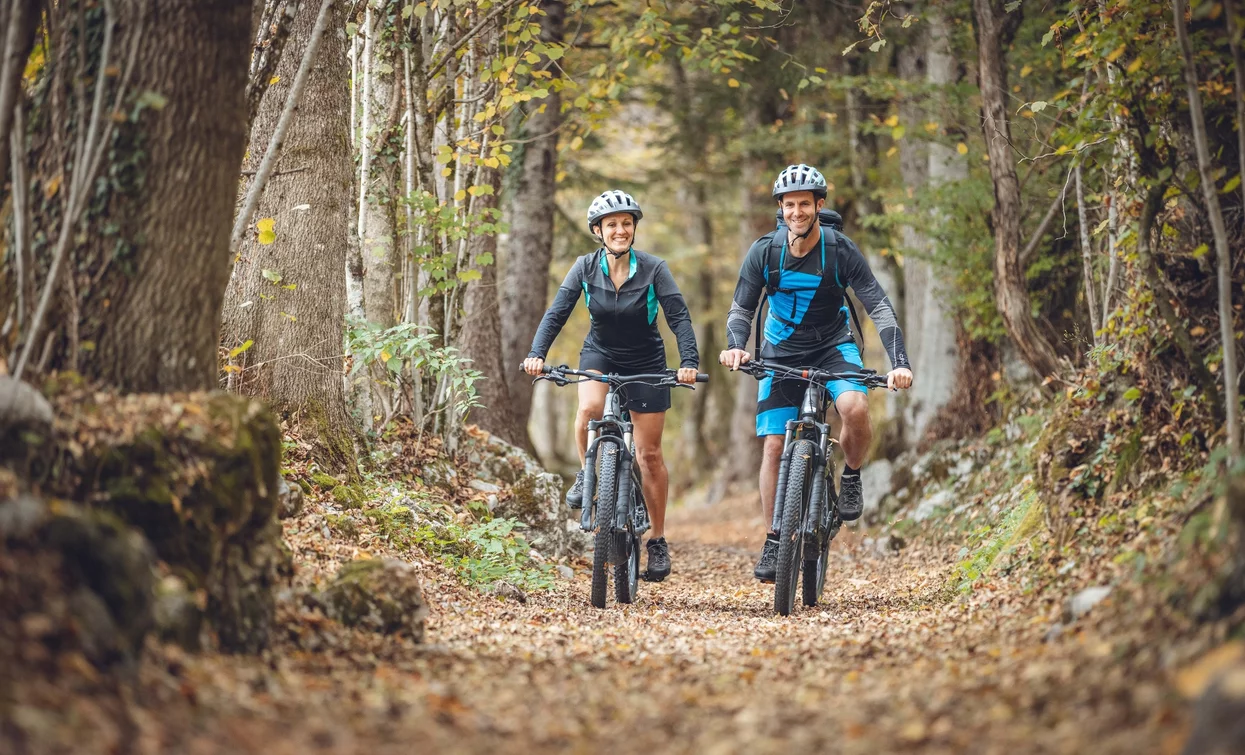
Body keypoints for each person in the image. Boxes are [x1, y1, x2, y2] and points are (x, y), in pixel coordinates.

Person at [718, 164, 913, 583]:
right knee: (773, 447)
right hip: (780, 349)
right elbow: (741, 308)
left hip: (833, 345)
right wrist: (736, 346)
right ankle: (774, 539)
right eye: (789, 205)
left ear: (818, 206)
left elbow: (878, 306)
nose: (796, 211)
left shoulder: (839, 250)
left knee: (855, 407)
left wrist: (899, 362)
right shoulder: (764, 252)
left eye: (804, 204)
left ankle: (852, 475)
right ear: (781, 209)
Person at [523, 190, 699, 582]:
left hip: (647, 360)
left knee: (649, 454)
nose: (620, 230)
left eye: (626, 223)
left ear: (634, 228)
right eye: (611, 225)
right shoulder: (584, 268)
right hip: (600, 352)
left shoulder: (655, 269)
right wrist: (536, 354)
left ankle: (657, 539)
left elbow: (680, 319)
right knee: (588, 409)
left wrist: (688, 363)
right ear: (598, 231)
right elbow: (557, 313)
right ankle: (588, 473)